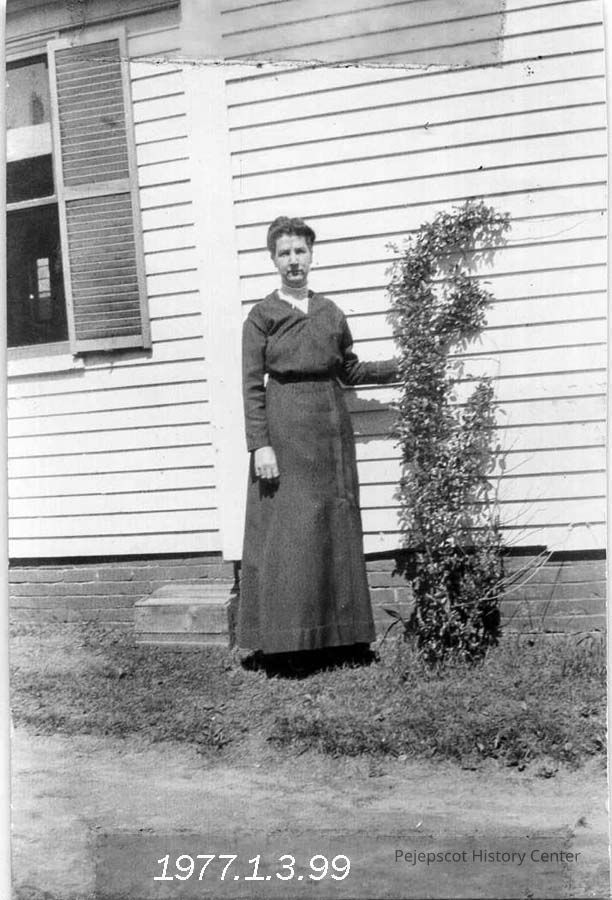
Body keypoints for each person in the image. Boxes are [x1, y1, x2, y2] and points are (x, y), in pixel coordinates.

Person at [238, 216, 398, 669]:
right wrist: (260, 445)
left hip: (330, 429)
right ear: (273, 259)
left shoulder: (330, 313)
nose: (294, 260)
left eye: (300, 251)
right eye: (284, 253)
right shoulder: (262, 317)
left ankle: (342, 640)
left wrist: (400, 366)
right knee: (292, 534)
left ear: (311, 255)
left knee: (333, 528)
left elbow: (349, 370)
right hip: (285, 429)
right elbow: (251, 385)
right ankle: (287, 646)